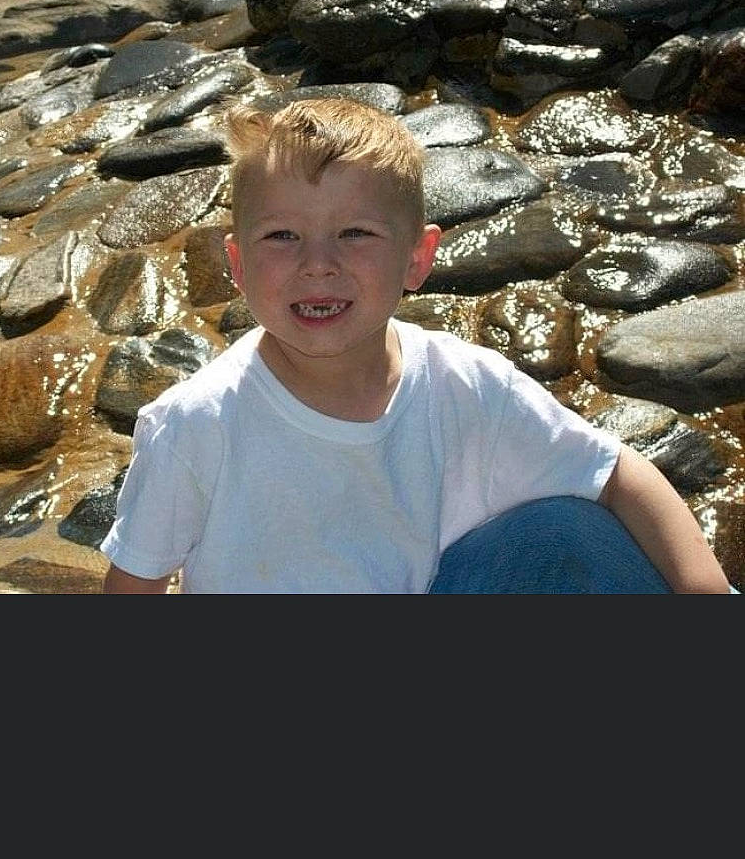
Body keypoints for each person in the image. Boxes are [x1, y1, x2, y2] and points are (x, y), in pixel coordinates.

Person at [102, 99, 734, 594]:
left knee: (562, 530)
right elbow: (135, 586)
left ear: (417, 258)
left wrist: (703, 591)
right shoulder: (195, 425)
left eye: (354, 234)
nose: (318, 264)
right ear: (236, 266)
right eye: (282, 237)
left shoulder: (466, 383)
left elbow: (618, 474)